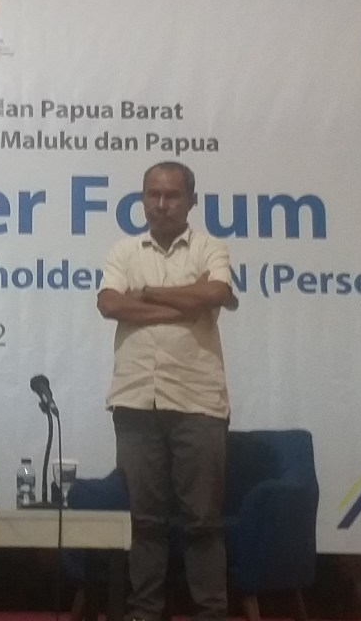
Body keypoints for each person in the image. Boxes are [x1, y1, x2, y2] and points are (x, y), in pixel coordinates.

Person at [95, 161, 240, 621]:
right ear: (142, 199)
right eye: (152, 195)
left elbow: (214, 294)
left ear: (191, 201)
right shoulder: (124, 250)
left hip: (198, 401)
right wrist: (182, 302)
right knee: (145, 521)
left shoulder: (209, 247)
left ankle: (210, 613)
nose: (161, 204)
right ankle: (144, 613)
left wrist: (147, 294)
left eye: (172, 195)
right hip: (135, 399)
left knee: (202, 521)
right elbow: (109, 303)